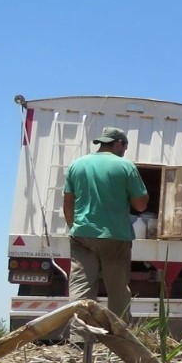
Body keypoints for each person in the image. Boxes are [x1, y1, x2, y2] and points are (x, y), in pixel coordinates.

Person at [63, 127, 150, 321]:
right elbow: (141, 205)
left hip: (82, 235)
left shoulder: (77, 165)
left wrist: (74, 227)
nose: (124, 150)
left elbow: (68, 201)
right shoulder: (125, 167)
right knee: (117, 290)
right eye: (125, 145)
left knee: (81, 288)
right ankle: (117, 339)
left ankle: (80, 340)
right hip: (115, 235)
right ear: (118, 143)